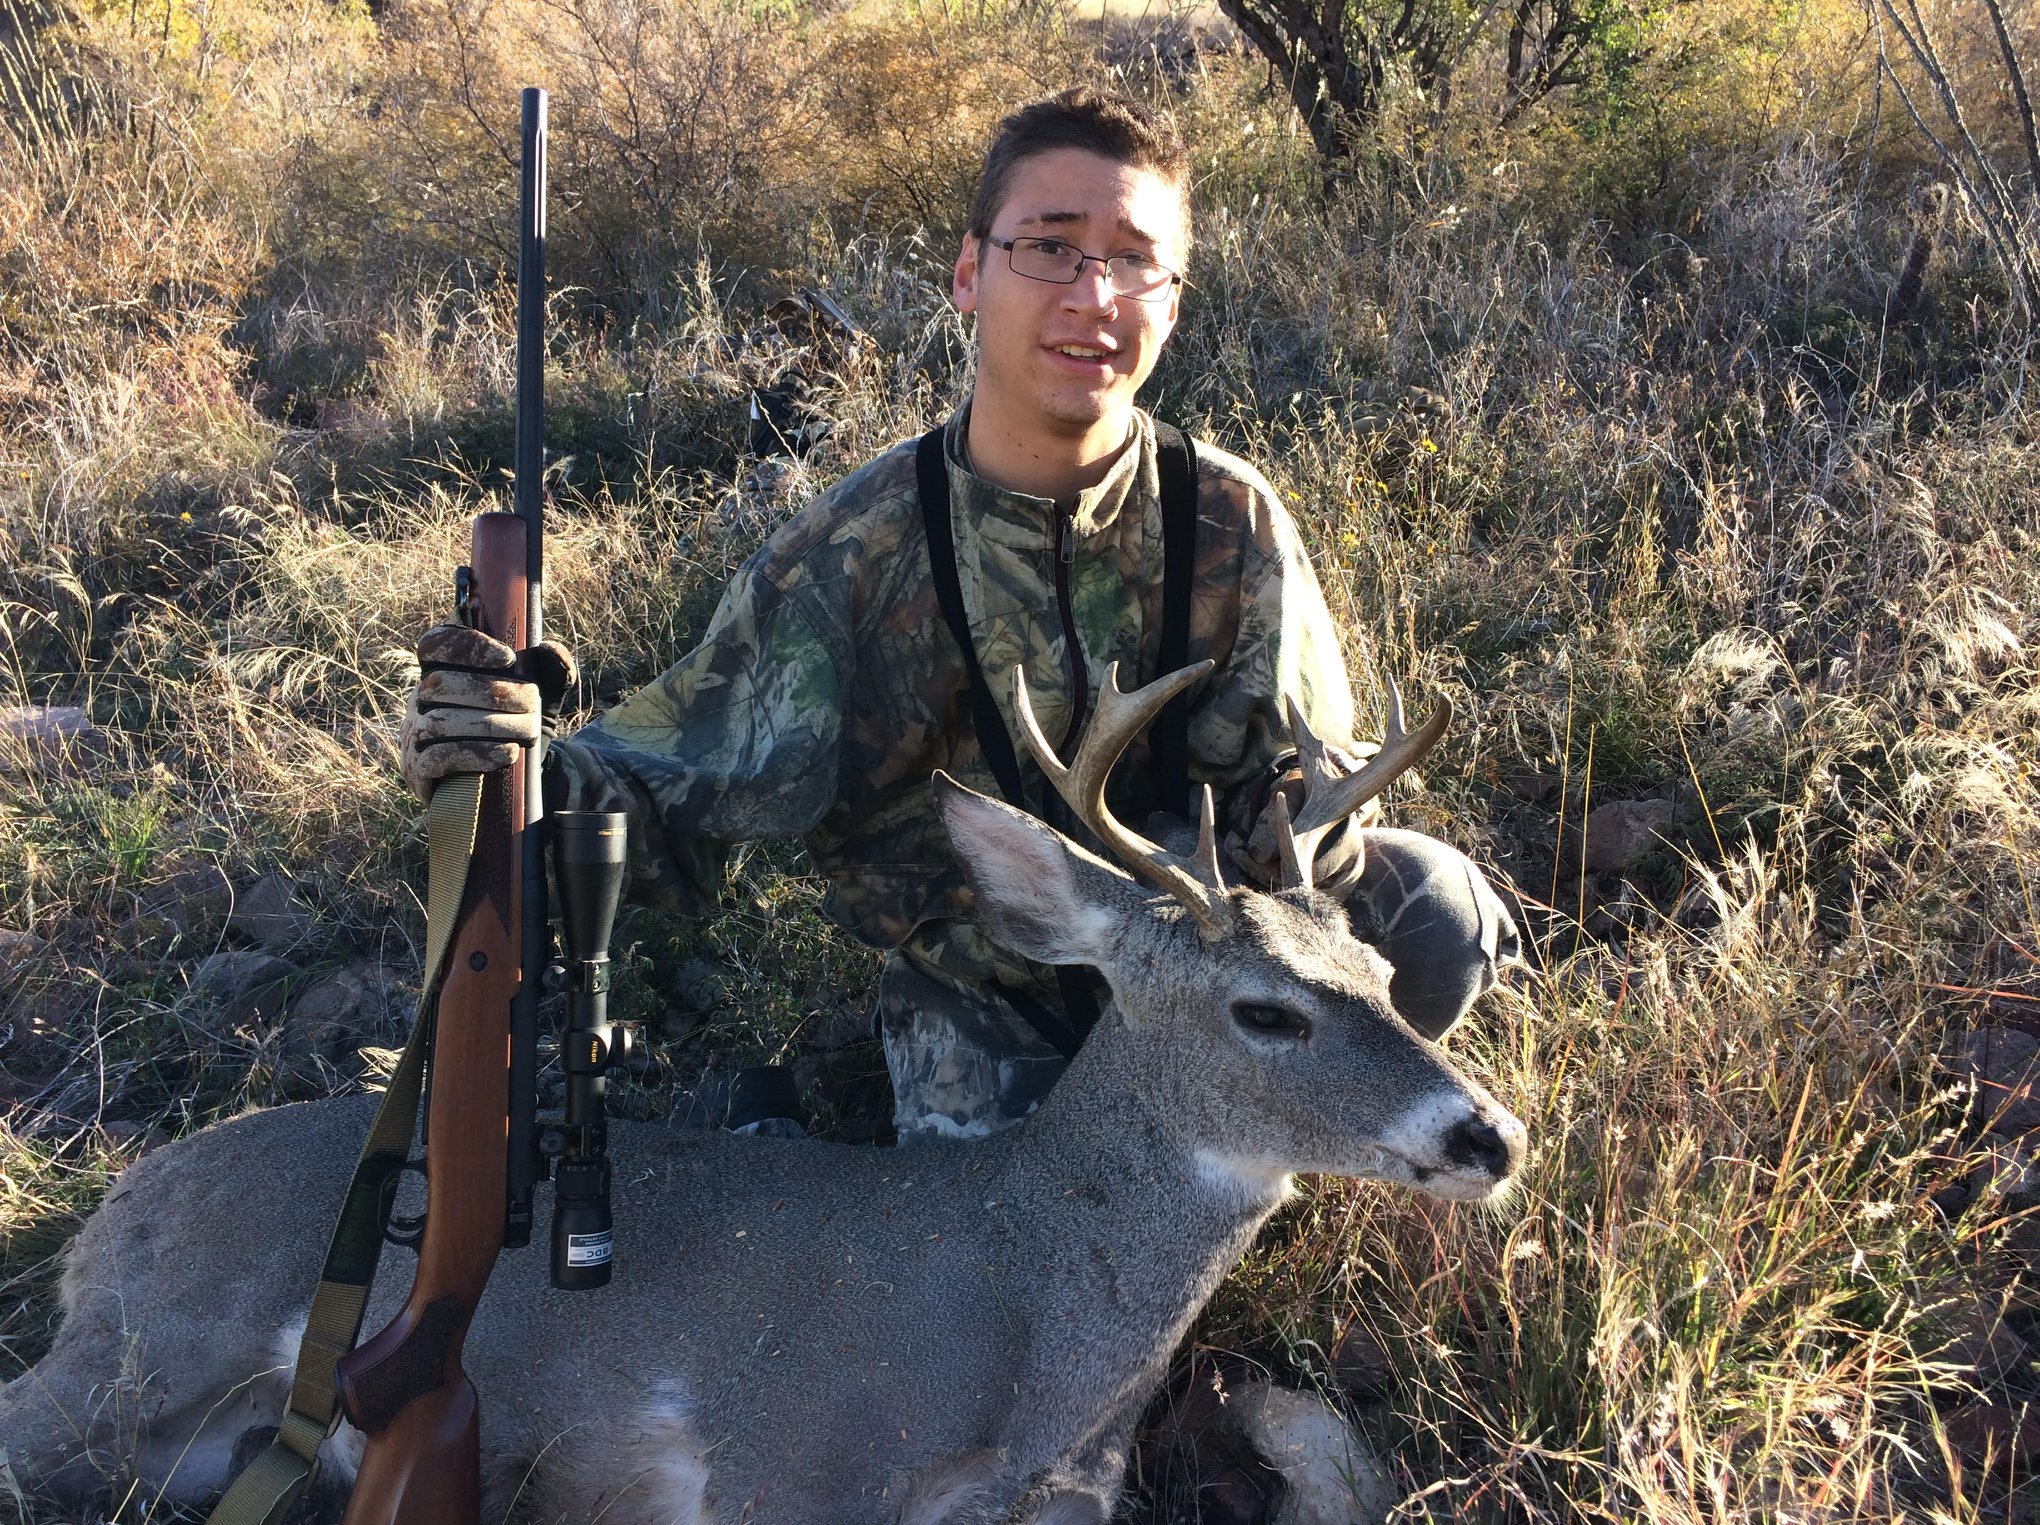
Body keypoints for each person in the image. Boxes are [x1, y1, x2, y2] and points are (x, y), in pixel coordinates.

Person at [400, 88, 1520, 1145]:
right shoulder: (852, 552)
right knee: (1005, 1253)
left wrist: (1263, 885)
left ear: (1171, 306)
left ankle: (1279, 1140)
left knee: (1435, 912)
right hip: (1001, 991)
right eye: (1050, 247)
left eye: (1136, 263)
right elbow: (657, 782)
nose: (1094, 297)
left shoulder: (1228, 514)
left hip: (1215, 970)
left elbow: (1308, 792)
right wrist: (496, 759)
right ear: (969, 276)